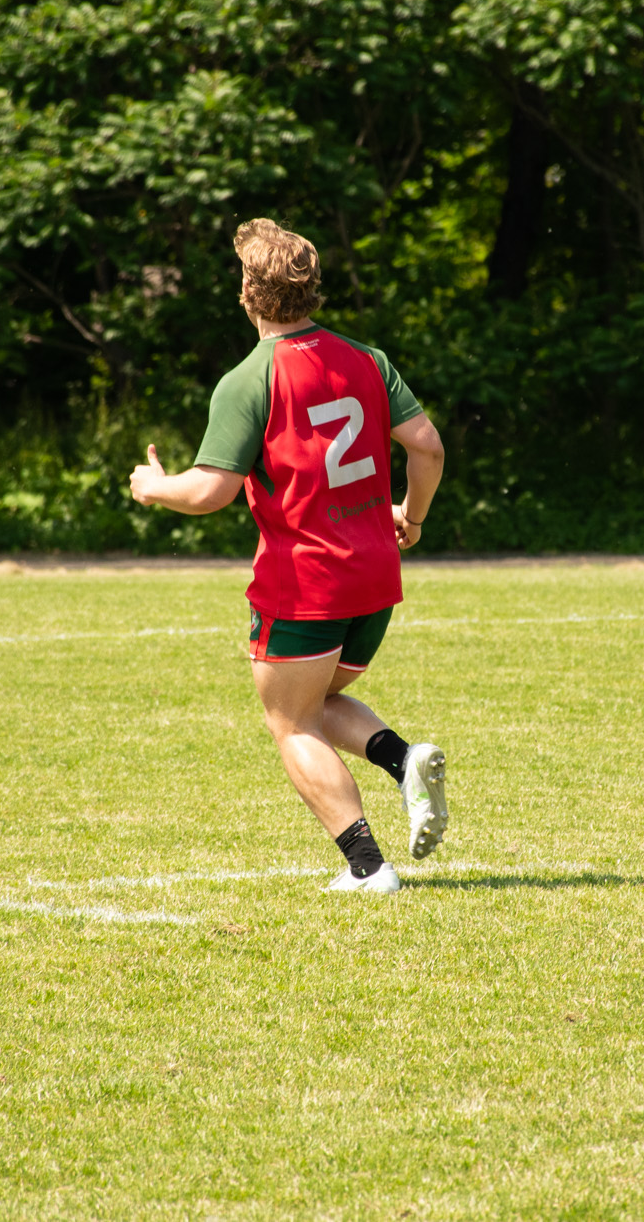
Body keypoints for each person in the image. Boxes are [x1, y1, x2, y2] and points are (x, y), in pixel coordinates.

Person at [130, 218, 447, 895]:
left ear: (248, 291)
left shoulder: (250, 378)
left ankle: (369, 866)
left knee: (291, 719)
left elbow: (212, 489)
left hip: (306, 581)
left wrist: (155, 487)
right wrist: (410, 518)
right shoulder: (368, 359)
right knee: (320, 698)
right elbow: (428, 447)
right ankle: (404, 757)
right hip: (375, 579)